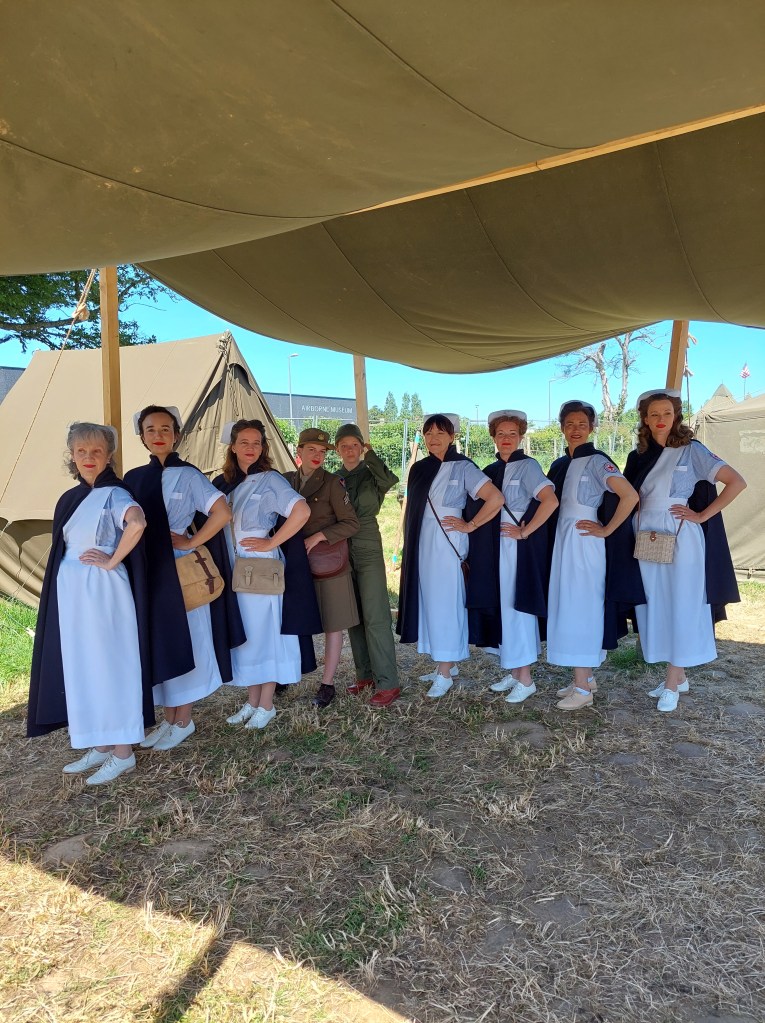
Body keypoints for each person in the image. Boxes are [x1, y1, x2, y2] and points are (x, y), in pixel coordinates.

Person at [27, 423, 152, 785]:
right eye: (81, 451)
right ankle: (101, 742)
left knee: (111, 663)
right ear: (72, 455)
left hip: (102, 590)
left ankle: (123, 753)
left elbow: (137, 523)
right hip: (73, 591)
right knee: (84, 664)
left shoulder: (115, 494)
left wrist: (112, 561)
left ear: (109, 455)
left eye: (96, 451)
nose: (88, 457)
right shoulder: (73, 496)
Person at [124, 405, 244, 750]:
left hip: (179, 571)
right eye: (150, 429)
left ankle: (184, 719)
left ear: (176, 434)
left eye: (165, 428)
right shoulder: (133, 478)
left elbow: (222, 512)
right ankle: (168, 718)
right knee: (160, 640)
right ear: (142, 436)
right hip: (148, 570)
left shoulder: (189, 475)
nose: (158, 435)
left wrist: (192, 541)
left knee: (187, 637)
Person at [624, 389, 745, 712]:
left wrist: (702, 515)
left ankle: (671, 682)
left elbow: (736, 481)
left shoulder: (692, 450)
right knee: (656, 604)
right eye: (653, 414)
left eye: (667, 413)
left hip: (680, 535)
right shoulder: (638, 456)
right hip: (646, 535)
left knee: (681, 603)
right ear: (645, 419)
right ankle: (677, 677)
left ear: (675, 416)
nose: (660, 419)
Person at [213, 419, 322, 728]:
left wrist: (271, 542)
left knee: (266, 634)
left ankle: (267, 704)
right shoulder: (224, 483)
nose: (251, 448)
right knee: (247, 635)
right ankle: (252, 701)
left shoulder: (270, 479)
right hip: (234, 565)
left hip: (260, 565)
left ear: (263, 448)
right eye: (244, 442)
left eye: (256, 443)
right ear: (233, 447)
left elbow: (301, 511)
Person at [397, 413, 503, 698]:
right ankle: (446, 664)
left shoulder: (464, 467)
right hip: (423, 544)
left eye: (440, 433)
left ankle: (444, 672)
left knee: (445, 604)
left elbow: (495, 498)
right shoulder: (419, 469)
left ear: (452, 436)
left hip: (448, 544)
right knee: (430, 602)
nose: (433, 438)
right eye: (428, 433)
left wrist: (471, 525)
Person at [546, 400, 640, 710]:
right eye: (570, 424)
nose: (576, 429)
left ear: (592, 427)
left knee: (580, 607)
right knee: (569, 604)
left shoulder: (599, 461)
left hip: (584, 542)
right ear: (562, 427)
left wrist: (607, 529)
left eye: (582, 424)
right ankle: (584, 677)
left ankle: (583, 688)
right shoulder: (560, 464)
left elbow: (629, 496)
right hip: (565, 540)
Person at [467, 410, 558, 703]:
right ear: (493, 437)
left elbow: (550, 500)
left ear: (520, 437)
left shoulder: (528, 466)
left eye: (512, 434)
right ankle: (515, 671)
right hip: (496, 547)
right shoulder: (491, 469)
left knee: (517, 608)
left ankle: (526, 678)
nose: (506, 439)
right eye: (501, 434)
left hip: (515, 549)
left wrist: (525, 531)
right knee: (504, 607)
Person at [283, 428, 360, 709]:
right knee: (291, 621)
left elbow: (351, 523)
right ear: (299, 451)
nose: (317, 456)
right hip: (295, 562)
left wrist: (319, 536)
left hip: (328, 562)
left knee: (333, 624)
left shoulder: (332, 483)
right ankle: (285, 674)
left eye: (322, 451)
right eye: (311, 450)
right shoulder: (286, 481)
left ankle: (327, 684)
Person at [335, 423, 401, 707]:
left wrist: (371, 454)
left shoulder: (372, 474)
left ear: (362, 447)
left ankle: (388, 682)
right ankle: (365, 675)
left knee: (376, 615)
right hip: (341, 545)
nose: (350, 450)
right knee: (354, 615)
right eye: (344, 446)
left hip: (367, 542)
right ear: (337, 450)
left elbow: (390, 479)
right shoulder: (334, 479)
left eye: (355, 445)